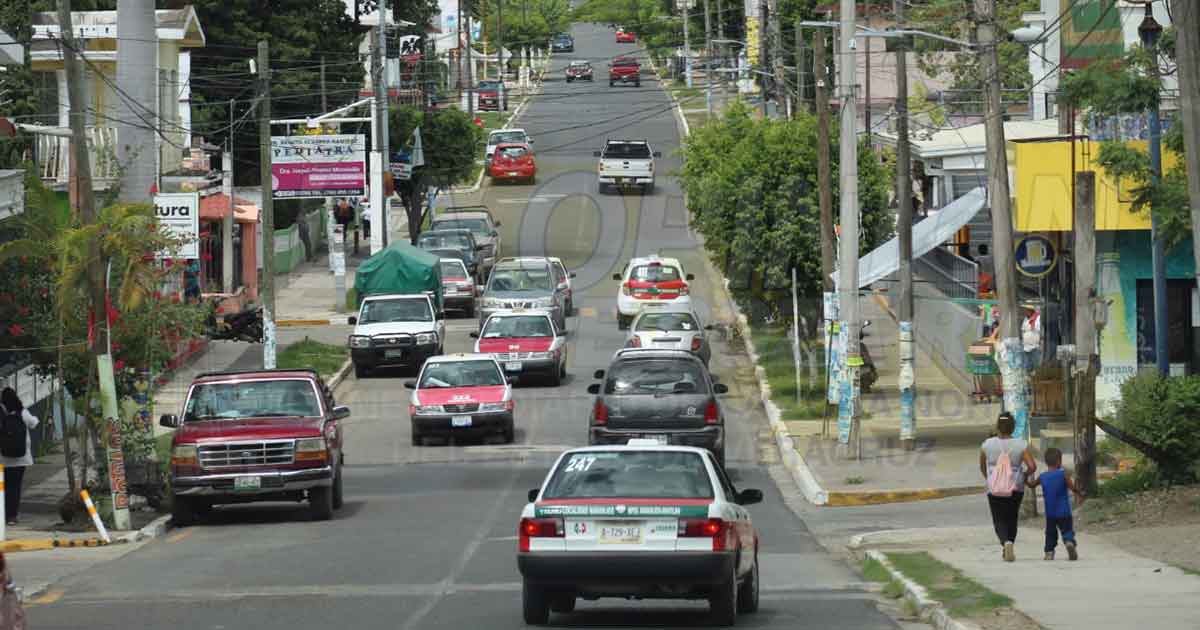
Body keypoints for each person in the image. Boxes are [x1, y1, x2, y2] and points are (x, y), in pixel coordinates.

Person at [979, 412, 1037, 562]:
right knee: (1012, 517)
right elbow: (1032, 466)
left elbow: (982, 466)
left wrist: (990, 478)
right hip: (1015, 487)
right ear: (1013, 428)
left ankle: (1005, 542)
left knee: (998, 518)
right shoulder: (1021, 444)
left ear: (998, 427)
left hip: (995, 488)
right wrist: (1023, 476)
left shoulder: (987, 444)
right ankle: (1010, 541)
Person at [1026, 447, 1083, 561]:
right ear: (1059, 461)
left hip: (1050, 513)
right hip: (1064, 512)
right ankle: (1068, 542)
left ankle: (1049, 552)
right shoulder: (1063, 475)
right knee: (1067, 530)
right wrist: (1079, 494)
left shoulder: (1042, 477)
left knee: (1050, 533)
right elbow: (1072, 487)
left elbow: (1032, 485)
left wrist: (1024, 479)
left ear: (1046, 462)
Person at [0, 388, 39, 526]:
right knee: (15, 487)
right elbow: (34, 423)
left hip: (2, 459)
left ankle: (2, 514)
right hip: (20, 458)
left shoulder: (1, 413)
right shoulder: (22, 412)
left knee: (2, 487)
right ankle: (11, 517)